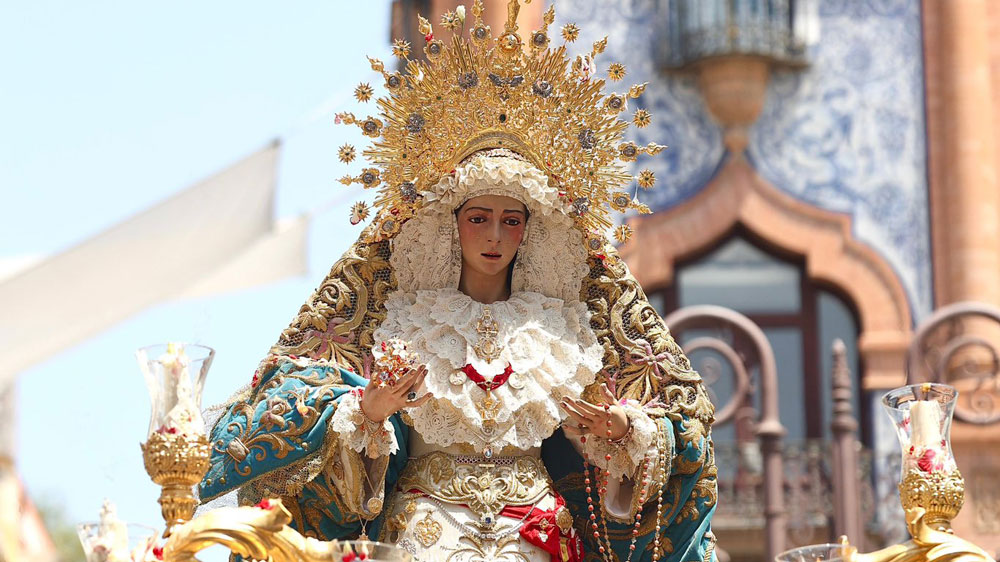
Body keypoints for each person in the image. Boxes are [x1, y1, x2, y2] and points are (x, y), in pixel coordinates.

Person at [199, 2, 717, 561]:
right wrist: (367, 416)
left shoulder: (562, 334)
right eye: (479, 218)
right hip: (426, 534)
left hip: (537, 538)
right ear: (450, 226)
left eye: (511, 220)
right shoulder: (409, 323)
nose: (494, 236)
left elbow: (671, 431)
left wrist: (625, 432)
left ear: (530, 232)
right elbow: (332, 462)